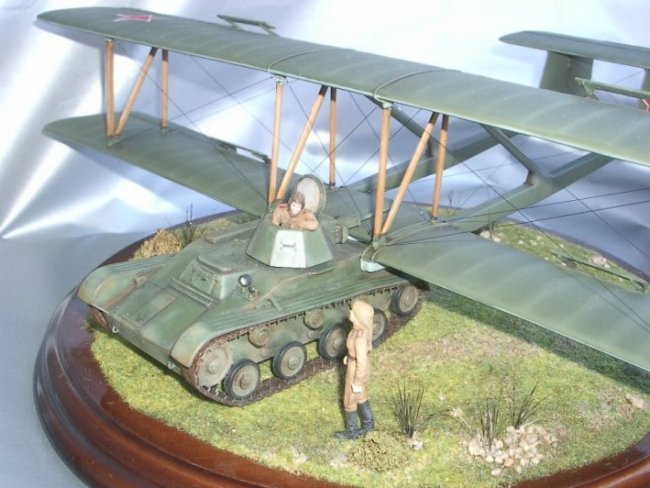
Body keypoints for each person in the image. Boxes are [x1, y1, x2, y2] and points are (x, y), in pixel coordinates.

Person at [336, 300, 375, 440]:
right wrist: (349, 357)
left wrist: (357, 382)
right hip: (354, 363)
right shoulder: (358, 331)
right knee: (361, 397)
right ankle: (368, 425)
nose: (350, 312)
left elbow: (362, 362)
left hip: (356, 370)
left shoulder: (359, 337)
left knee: (349, 400)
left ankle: (351, 431)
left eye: (354, 311)